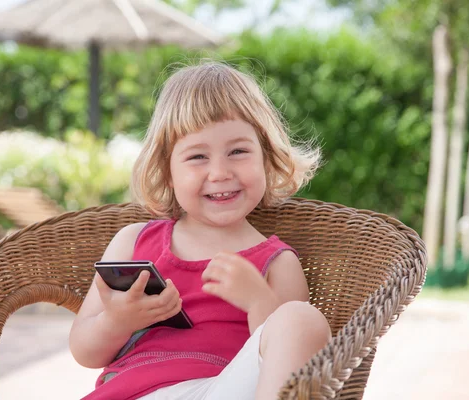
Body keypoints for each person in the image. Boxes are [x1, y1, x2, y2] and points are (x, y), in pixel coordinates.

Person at [69, 61, 331, 400]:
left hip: (220, 389)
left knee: (301, 320)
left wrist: (259, 302)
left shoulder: (277, 263)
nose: (220, 172)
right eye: (197, 157)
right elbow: (84, 351)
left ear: (266, 158)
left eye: (238, 151)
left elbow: (289, 363)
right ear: (167, 171)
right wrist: (118, 321)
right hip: (132, 392)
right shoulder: (134, 242)